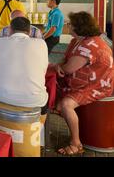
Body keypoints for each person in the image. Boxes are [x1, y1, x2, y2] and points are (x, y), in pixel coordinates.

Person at [53, 12, 114, 155]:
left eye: (70, 24)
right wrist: (58, 66)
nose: (67, 26)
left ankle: (76, 143)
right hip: (86, 80)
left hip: (98, 84)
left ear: (78, 28)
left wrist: (56, 66)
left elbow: (68, 68)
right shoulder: (78, 41)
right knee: (55, 91)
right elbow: (65, 61)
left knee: (66, 105)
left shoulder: (88, 46)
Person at [0, 17, 48, 110]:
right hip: (34, 99)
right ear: (29, 31)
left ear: (10, 30)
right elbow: (44, 69)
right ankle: (41, 123)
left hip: (1, 96)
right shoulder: (41, 43)